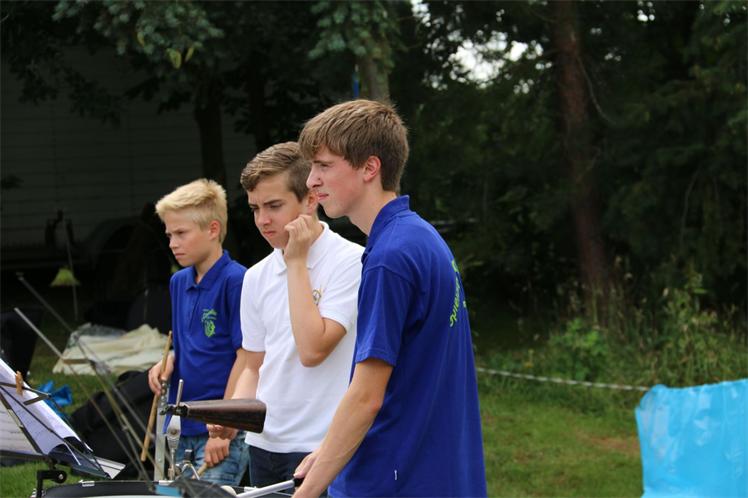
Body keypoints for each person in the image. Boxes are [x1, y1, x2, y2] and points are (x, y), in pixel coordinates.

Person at [293, 100, 487, 498]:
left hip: (396, 480)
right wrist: (329, 451)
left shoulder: (390, 258)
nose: (311, 181)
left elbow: (366, 396)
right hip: (435, 474)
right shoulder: (419, 237)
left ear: (370, 168)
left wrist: (307, 492)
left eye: (324, 166)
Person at [208, 142, 363, 488]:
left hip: (322, 444)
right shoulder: (255, 276)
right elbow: (253, 365)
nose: (262, 220)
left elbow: (314, 349)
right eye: (255, 208)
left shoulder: (351, 262)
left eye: (274, 206)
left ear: (311, 199)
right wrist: (235, 414)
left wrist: (296, 262)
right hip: (264, 443)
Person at [147, 179, 249, 486]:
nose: (172, 243)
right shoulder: (178, 282)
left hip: (219, 428)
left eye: (181, 233)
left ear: (213, 229)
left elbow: (247, 359)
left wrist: (225, 424)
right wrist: (169, 360)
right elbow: (189, 342)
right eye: (169, 235)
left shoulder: (237, 280)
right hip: (180, 424)